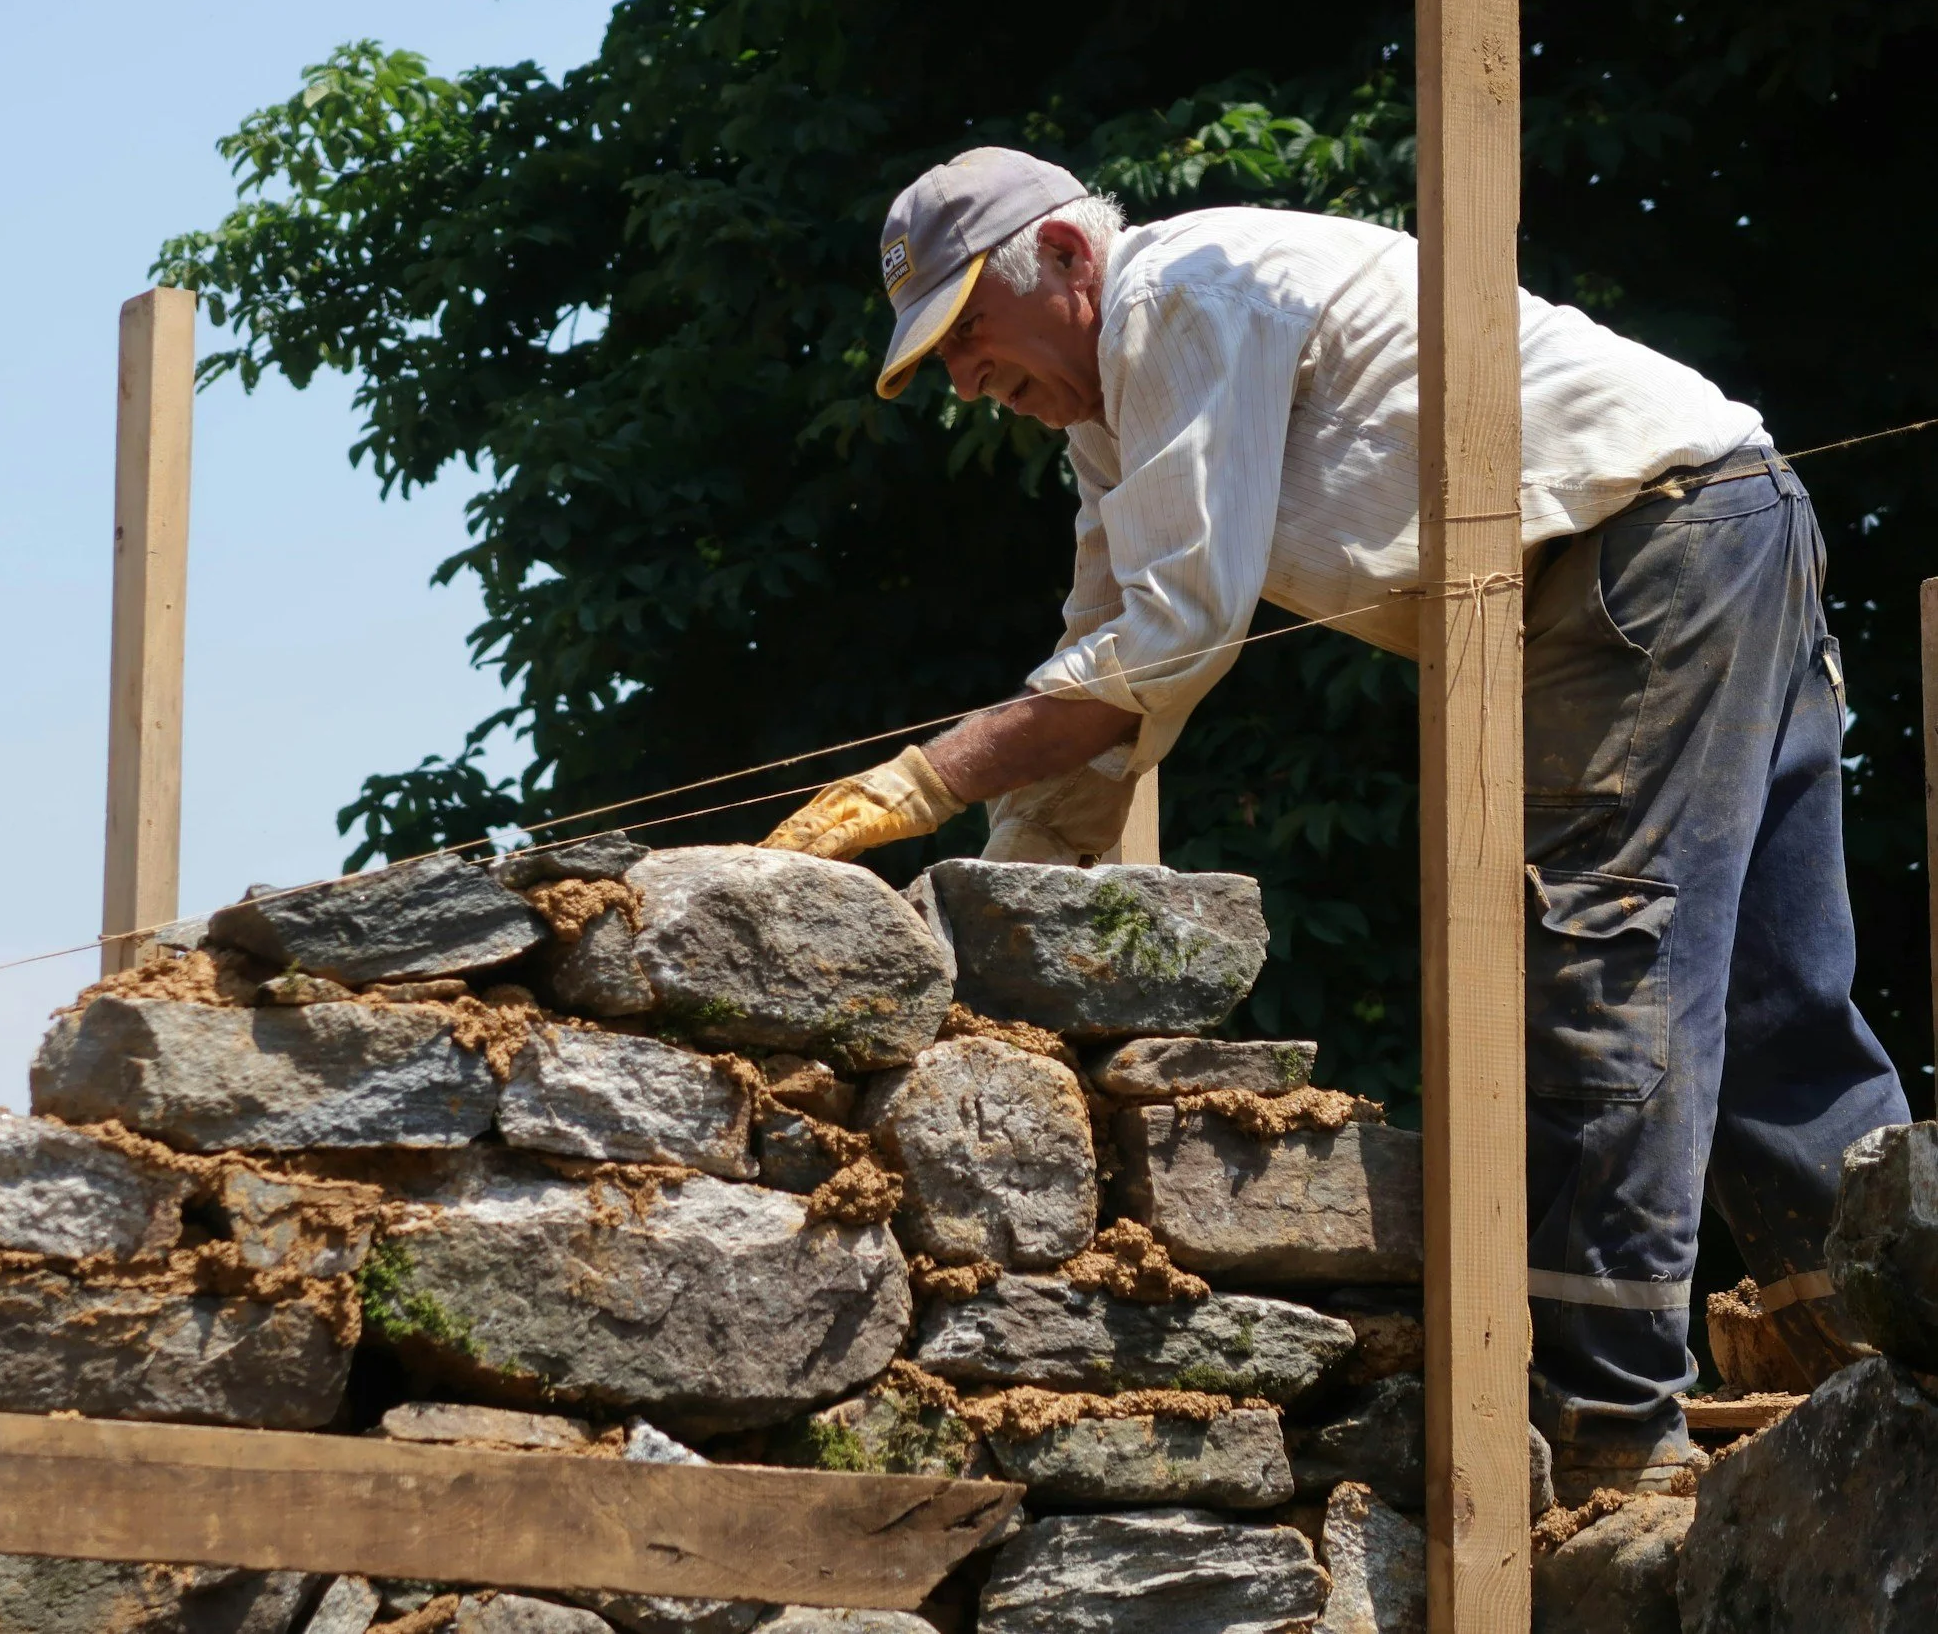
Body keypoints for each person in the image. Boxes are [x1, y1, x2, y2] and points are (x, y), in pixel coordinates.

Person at [760, 146, 1910, 1499]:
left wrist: (919, 780)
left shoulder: (1178, 298)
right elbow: (1102, 658)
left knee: (1608, 967)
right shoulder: (1105, 415)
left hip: (1647, 545)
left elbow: (1174, 639)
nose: (961, 379)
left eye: (968, 332)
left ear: (1066, 257)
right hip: (1717, 515)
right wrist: (991, 941)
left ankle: (1613, 1436)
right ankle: (1896, 1356)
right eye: (940, 355)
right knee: (1775, 1002)